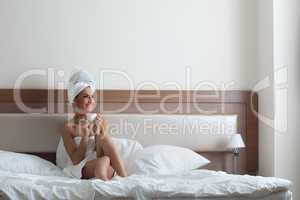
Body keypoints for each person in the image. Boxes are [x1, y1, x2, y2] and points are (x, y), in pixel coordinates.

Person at [56, 69, 127, 181]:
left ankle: (126, 181)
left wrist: (99, 132)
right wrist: (85, 136)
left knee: (105, 142)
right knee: (103, 161)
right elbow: (75, 160)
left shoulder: (100, 120)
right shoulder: (68, 128)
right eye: (86, 96)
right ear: (74, 101)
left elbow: (102, 153)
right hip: (82, 168)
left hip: (102, 163)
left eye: (92, 96)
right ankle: (104, 184)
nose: (91, 100)